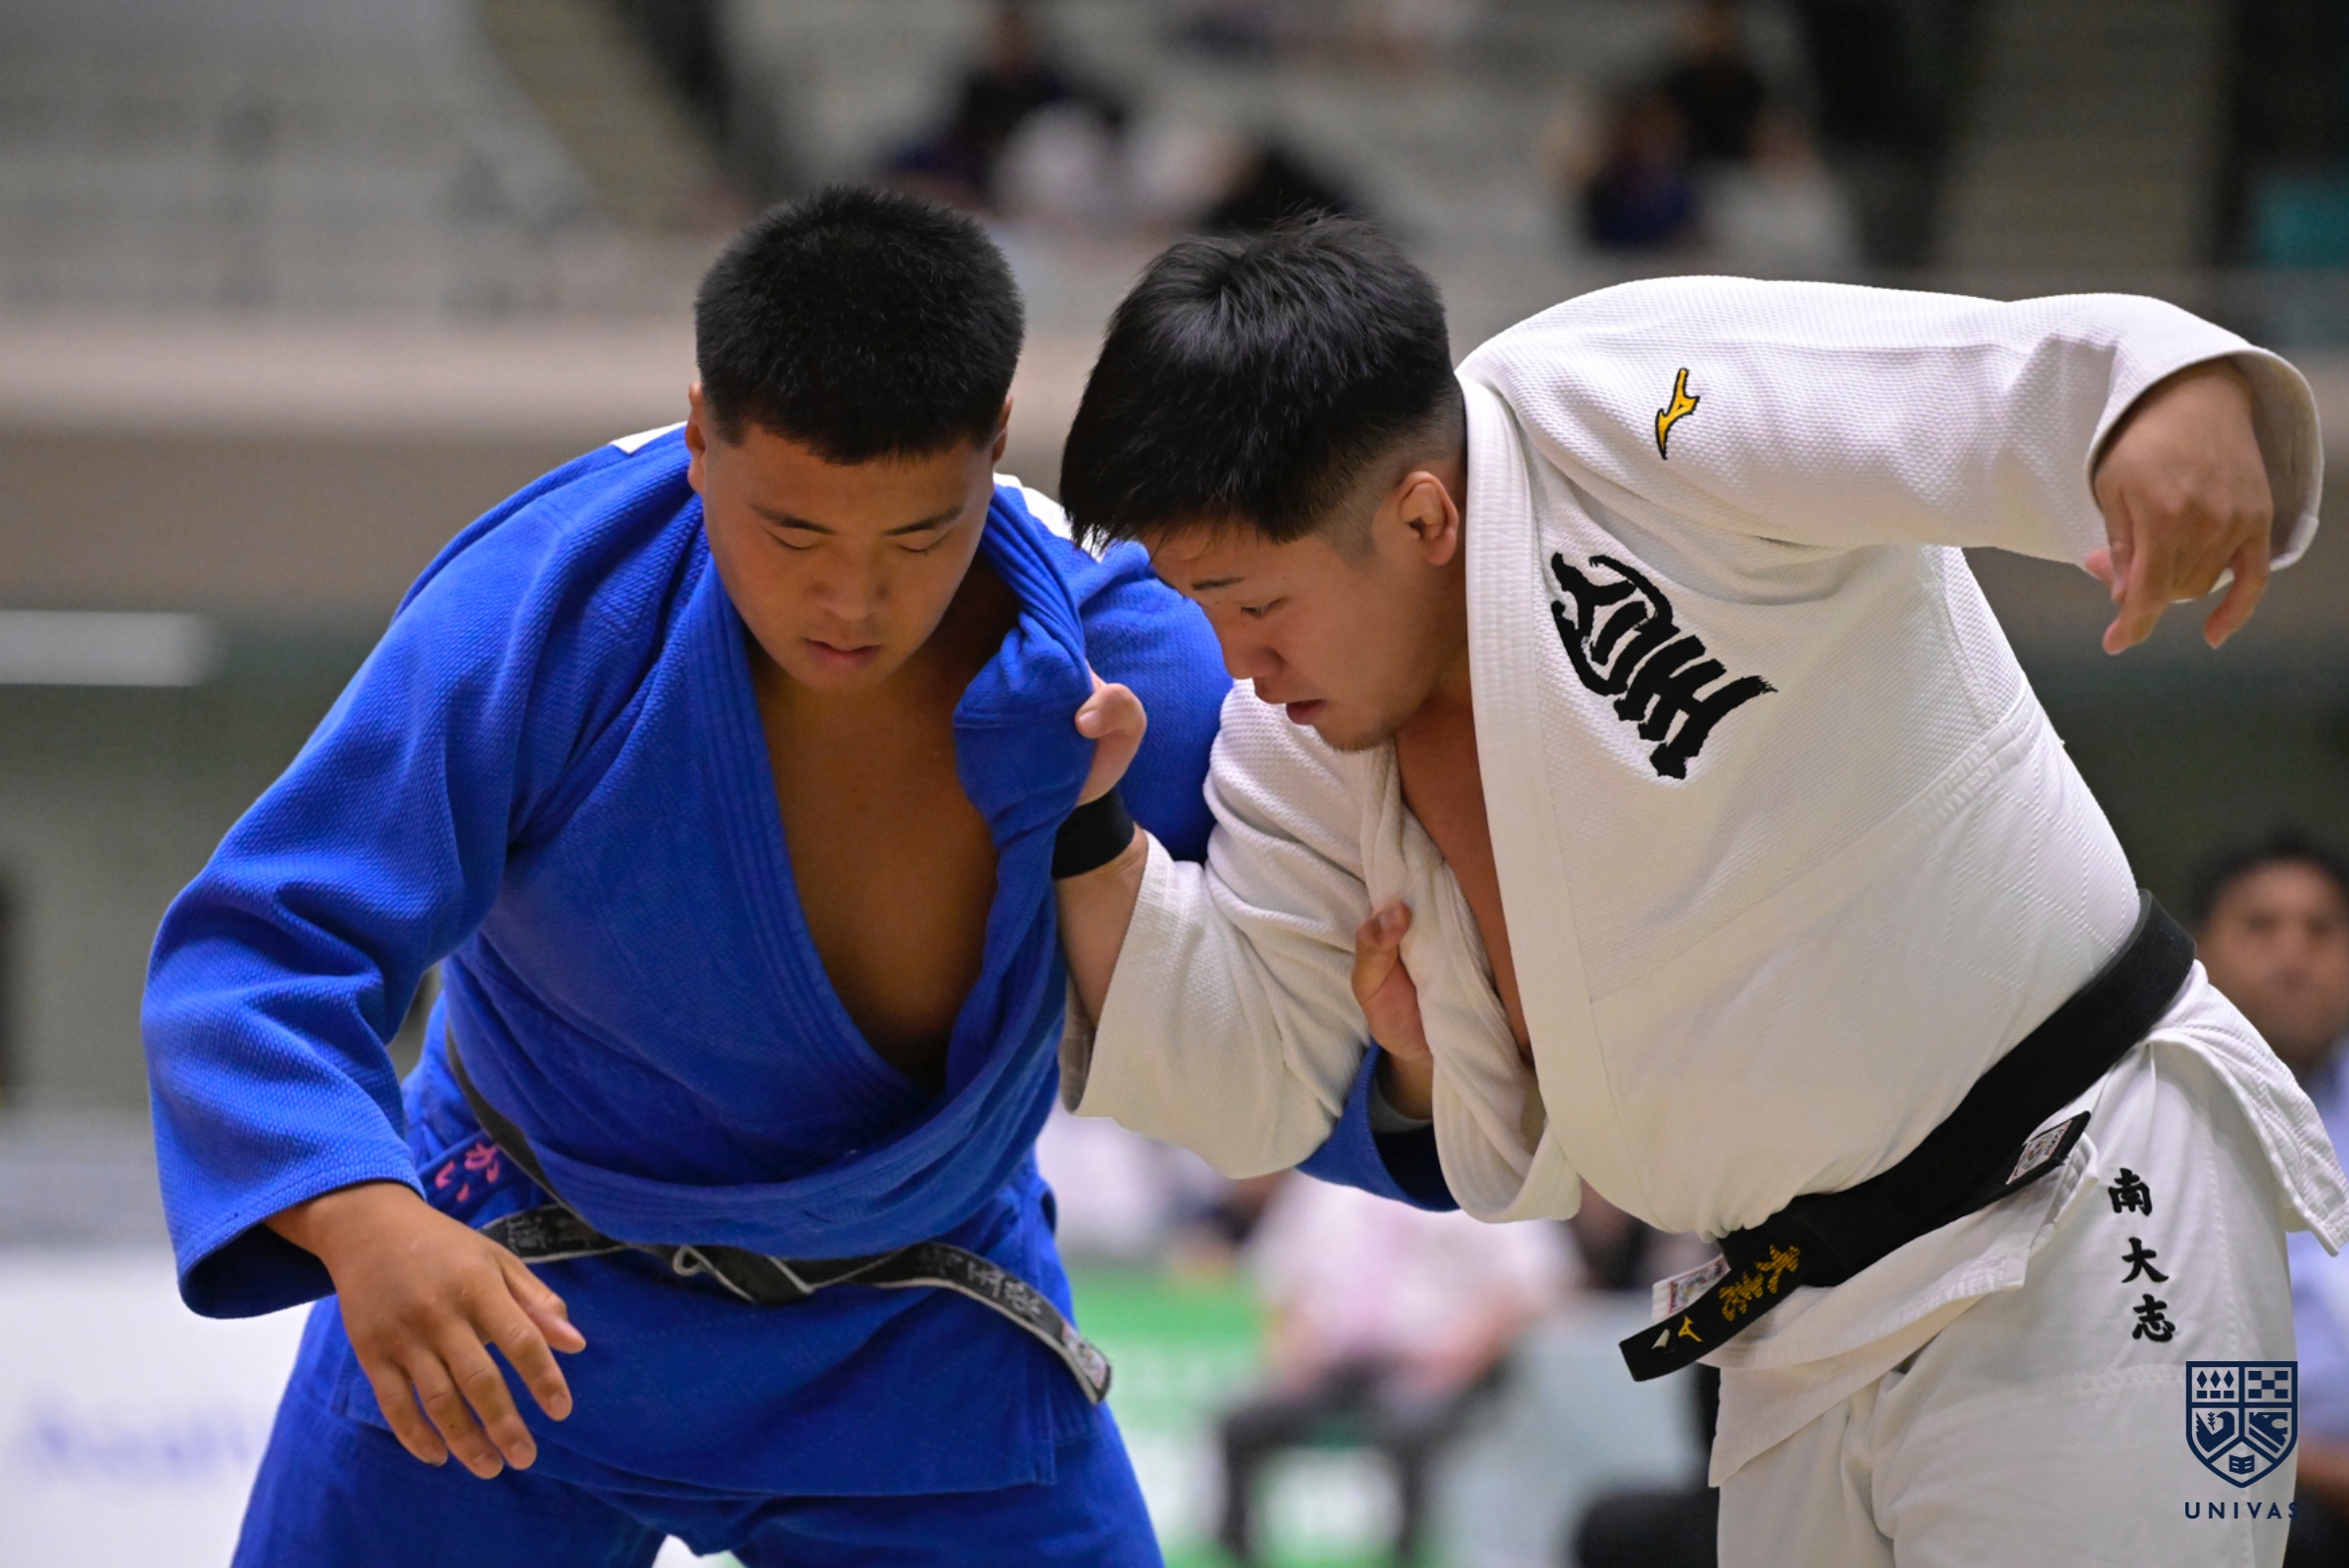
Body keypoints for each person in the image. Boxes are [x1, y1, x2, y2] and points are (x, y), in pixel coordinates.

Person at [139, 189, 1426, 1568]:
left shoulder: (1115, 659)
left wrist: (1408, 1072)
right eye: (796, 534)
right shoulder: (540, 609)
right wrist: (364, 1216)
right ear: (701, 435)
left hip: (918, 1329)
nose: (851, 602)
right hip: (504, 1276)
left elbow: (1293, 1025)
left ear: (995, 444)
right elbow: (262, 945)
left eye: (919, 537)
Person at [1046, 219, 2348, 1564]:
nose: (1234, 660)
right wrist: (1081, 828)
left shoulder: (1624, 405)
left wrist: (2156, 391)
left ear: (1423, 515)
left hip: (2083, 1203)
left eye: (1254, 603)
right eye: (1198, 608)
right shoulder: (1298, 745)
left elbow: (1955, 387)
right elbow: (1253, 1065)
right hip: (1795, 1314)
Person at [1215, 1172, 1573, 1565]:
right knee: (1241, 1424)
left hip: (1442, 1361)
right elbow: (1279, 1276)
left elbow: (1530, 1282)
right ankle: (1237, 1554)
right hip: (1337, 1359)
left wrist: (1463, 1356)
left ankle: (1408, 1554)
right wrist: (1293, 1350)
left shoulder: (1484, 1175)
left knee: (1408, 1426)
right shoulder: (1326, 1180)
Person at [2195, 834, 2349, 1567]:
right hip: (2262, 1479)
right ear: (2200, 952)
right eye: (2260, 926)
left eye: (2321, 929)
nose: (2293, 956)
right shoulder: (2157, 1118)